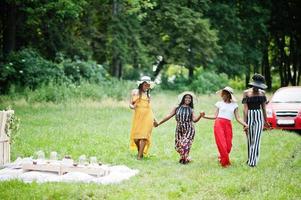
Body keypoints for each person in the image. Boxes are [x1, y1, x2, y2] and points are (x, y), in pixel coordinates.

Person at [202, 86, 248, 167]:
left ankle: (222, 157)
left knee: (228, 146)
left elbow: (238, 118)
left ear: (228, 95)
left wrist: (245, 124)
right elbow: (214, 116)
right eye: (222, 94)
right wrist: (204, 116)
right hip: (219, 124)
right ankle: (225, 163)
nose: (222, 96)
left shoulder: (234, 105)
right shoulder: (219, 104)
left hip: (228, 124)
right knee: (222, 144)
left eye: (224, 94)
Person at [155, 92, 202, 164]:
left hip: (189, 129)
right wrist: (159, 123)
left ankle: (184, 160)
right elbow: (169, 116)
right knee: (178, 146)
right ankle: (187, 158)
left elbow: (195, 120)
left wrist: (200, 116)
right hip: (179, 129)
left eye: (189, 98)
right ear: (183, 99)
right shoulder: (177, 108)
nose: (188, 99)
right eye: (186, 97)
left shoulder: (191, 109)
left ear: (191, 100)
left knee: (185, 144)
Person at [242, 74, 269, 167]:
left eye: (259, 86)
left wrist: (266, 121)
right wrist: (244, 123)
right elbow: (245, 109)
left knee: (256, 140)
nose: (257, 88)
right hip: (249, 116)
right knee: (250, 140)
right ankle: (250, 158)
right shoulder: (246, 93)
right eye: (255, 86)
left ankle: (252, 163)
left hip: (259, 117)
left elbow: (264, 108)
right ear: (252, 84)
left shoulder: (262, 93)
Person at [129, 76, 157, 160]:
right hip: (138, 117)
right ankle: (140, 152)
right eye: (145, 85)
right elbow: (130, 103)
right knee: (136, 138)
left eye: (148, 85)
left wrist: (154, 120)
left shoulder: (149, 95)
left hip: (148, 117)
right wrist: (132, 107)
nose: (147, 86)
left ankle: (139, 156)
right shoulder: (135, 92)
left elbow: (149, 108)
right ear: (141, 84)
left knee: (144, 136)